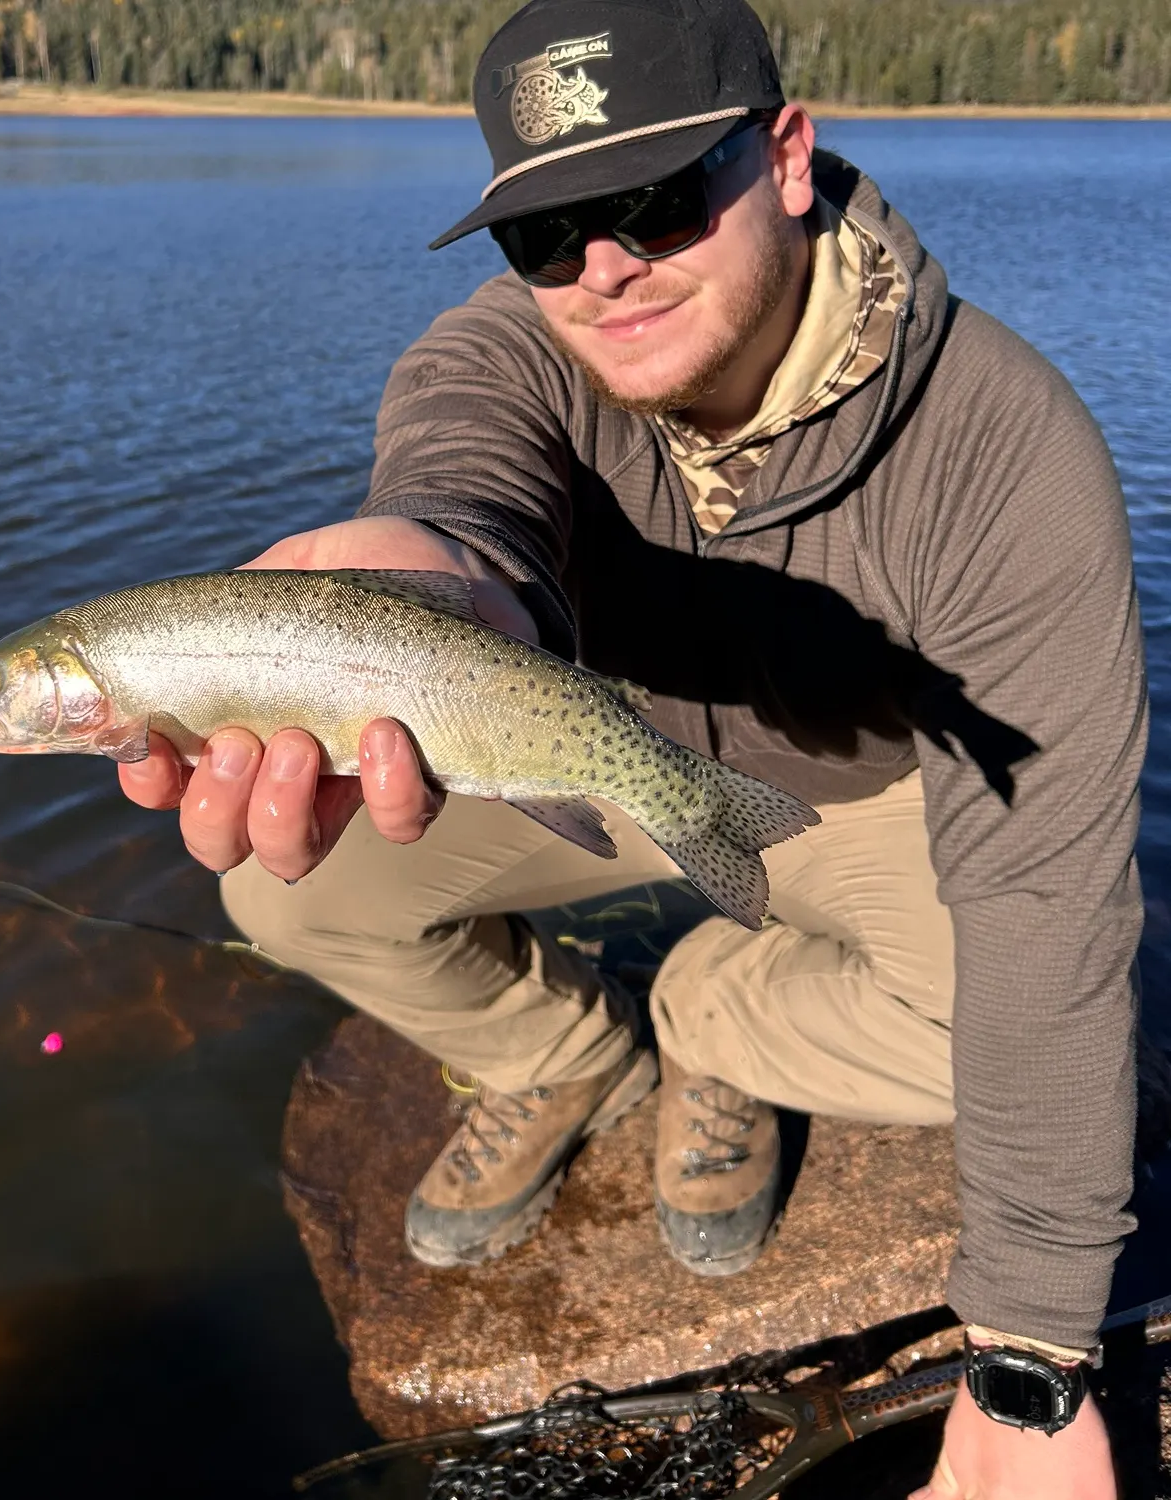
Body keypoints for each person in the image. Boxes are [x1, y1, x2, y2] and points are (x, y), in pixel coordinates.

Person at [119, 0, 1146, 1494]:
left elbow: (1048, 903)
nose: (602, 269)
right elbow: (460, 479)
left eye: (657, 201)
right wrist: (439, 576)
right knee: (286, 886)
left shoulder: (1006, 452)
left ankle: (712, 1019)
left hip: (870, 808)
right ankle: (570, 1059)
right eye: (543, 236)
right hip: (568, 745)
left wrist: (1032, 1357)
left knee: (1025, 1021)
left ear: (784, 157)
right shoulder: (507, 360)